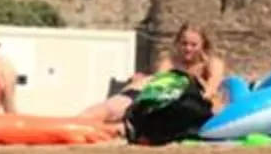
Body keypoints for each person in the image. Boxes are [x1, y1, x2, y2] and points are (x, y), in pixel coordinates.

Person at [75, 23, 228, 135]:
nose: (187, 48)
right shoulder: (170, 62)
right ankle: (71, 124)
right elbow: (158, 85)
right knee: (110, 108)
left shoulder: (212, 64)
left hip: (182, 106)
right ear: (177, 43)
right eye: (184, 43)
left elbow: (211, 89)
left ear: (203, 45)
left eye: (193, 45)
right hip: (150, 97)